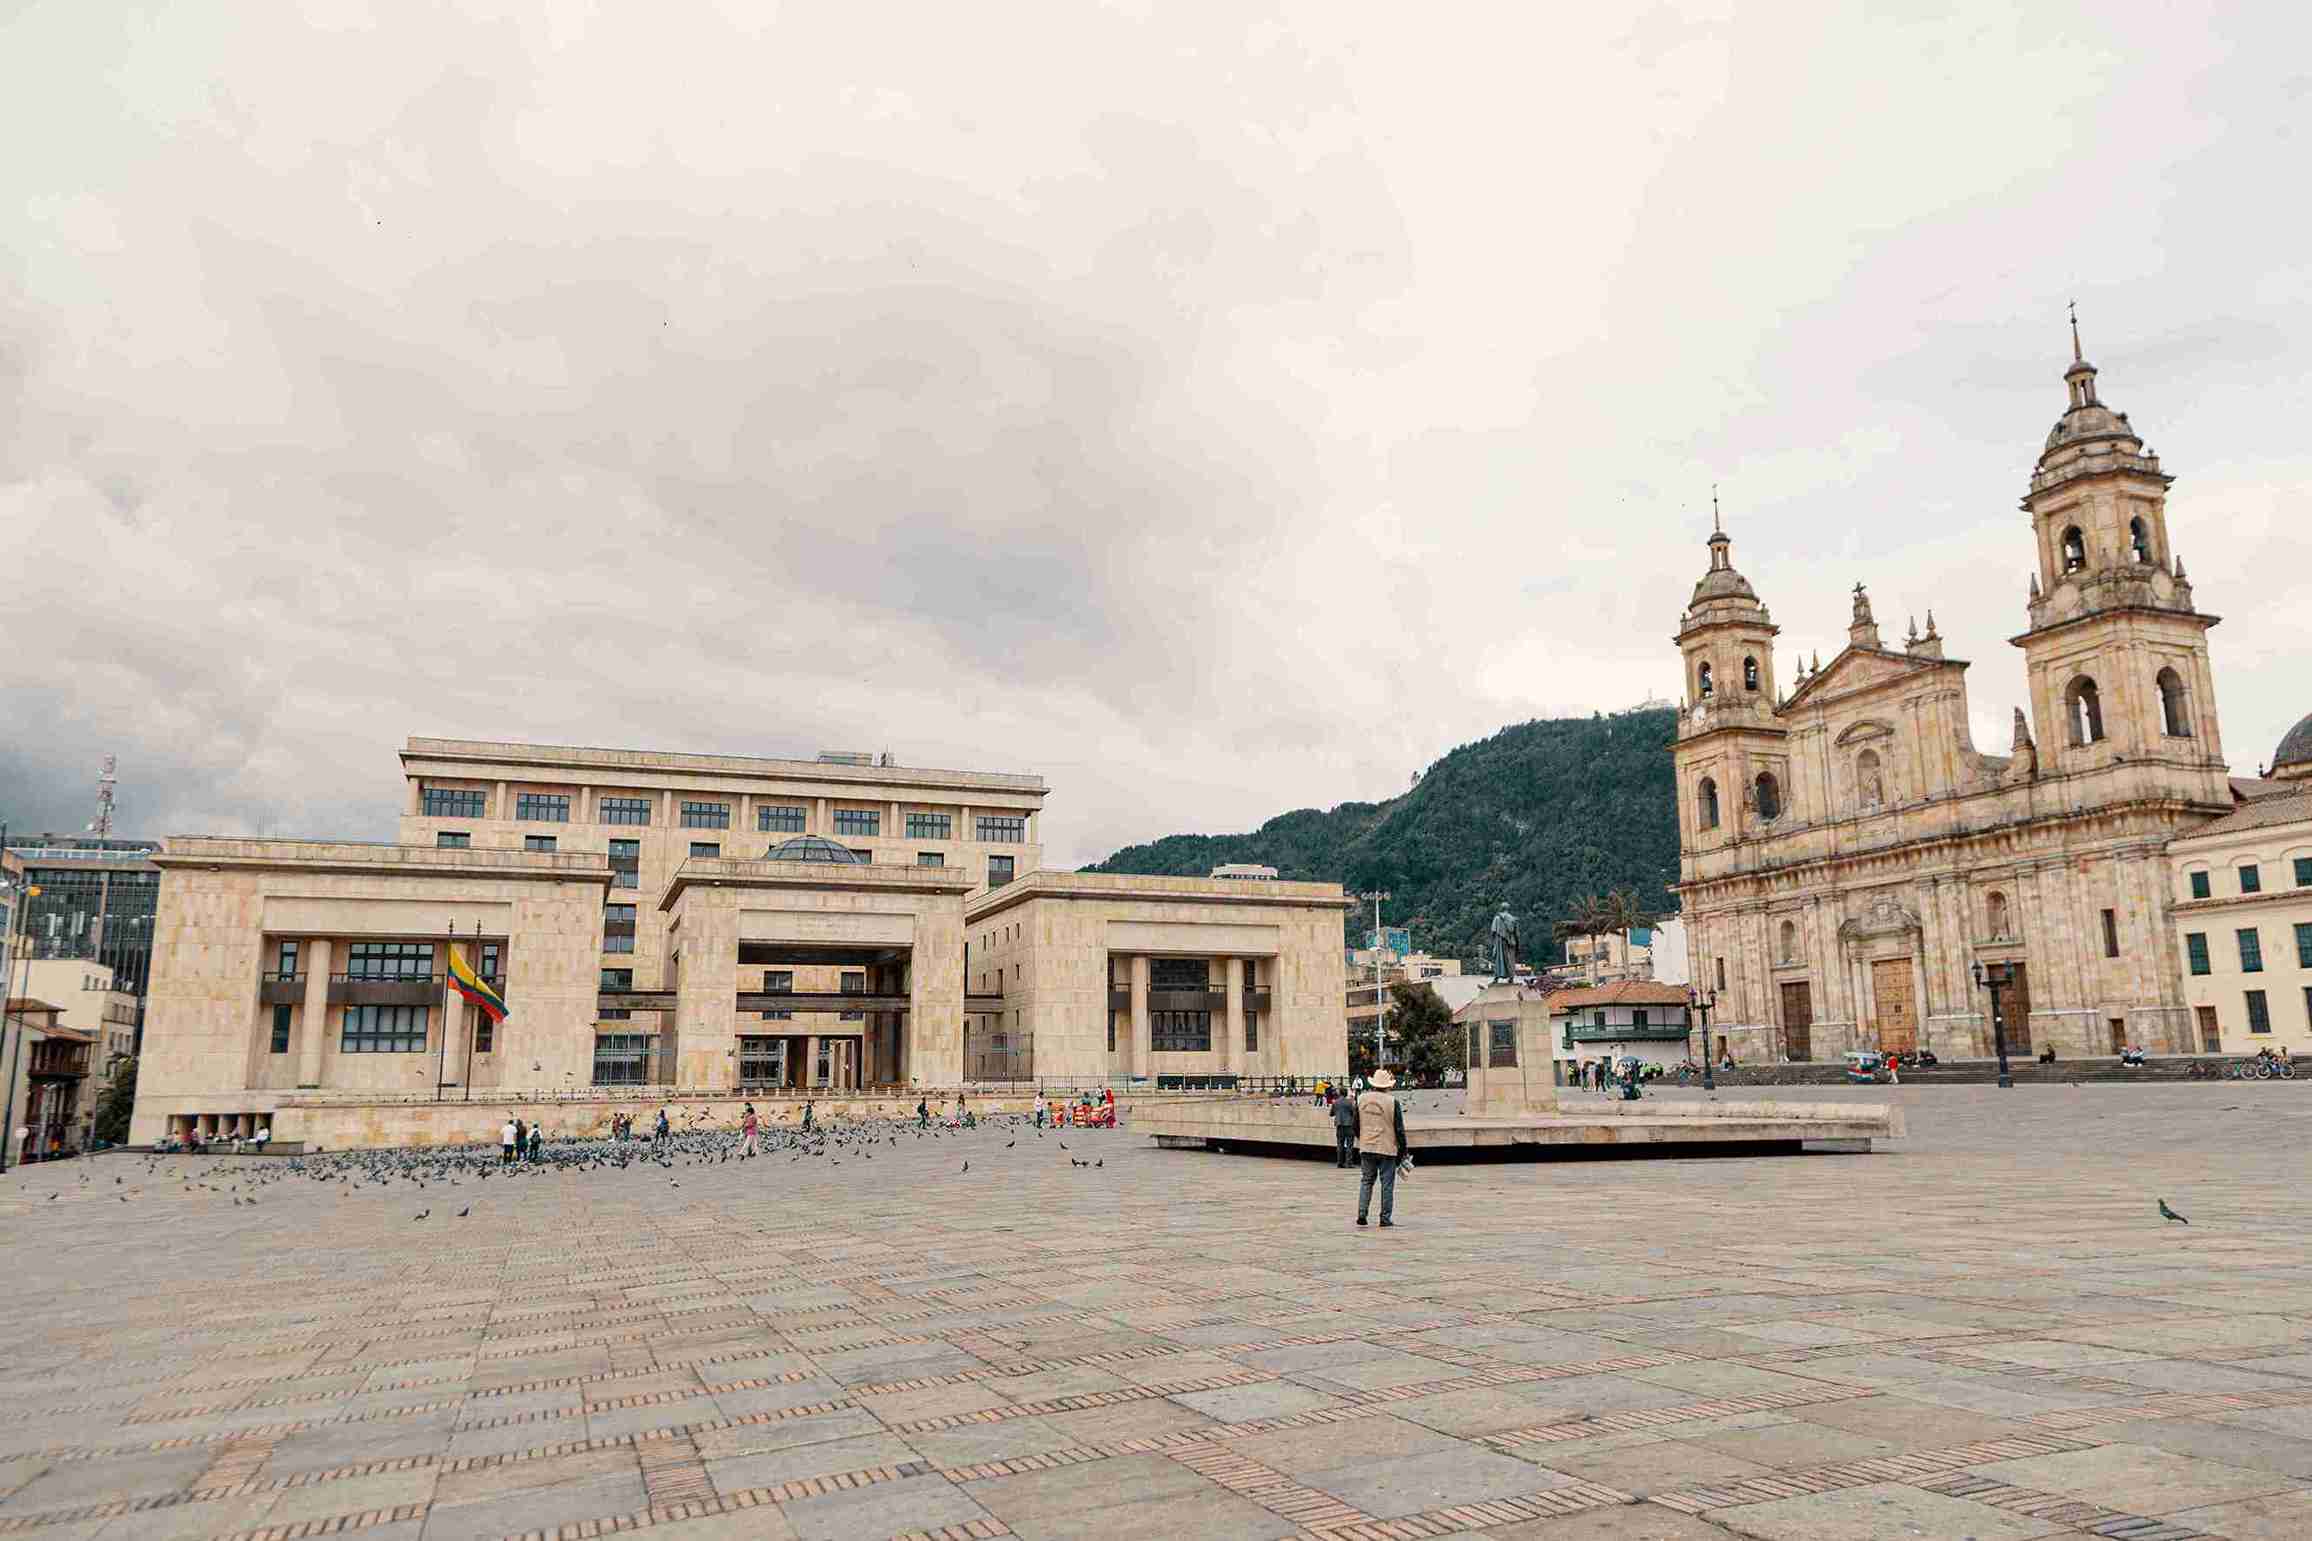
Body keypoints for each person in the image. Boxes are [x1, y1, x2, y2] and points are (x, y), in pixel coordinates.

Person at [1354, 1069, 1407, 1228]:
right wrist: (1403, 1150)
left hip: (1367, 1147)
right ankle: (1385, 1218)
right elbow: (1399, 1129)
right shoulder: (1392, 1102)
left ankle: (1362, 1214)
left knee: (1366, 1181)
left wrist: (1362, 1138)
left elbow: (1355, 1125)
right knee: (1387, 1184)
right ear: (1387, 1086)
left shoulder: (1361, 1099)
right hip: (1387, 1148)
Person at [1330, 1083, 1358, 1168]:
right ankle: (1349, 1163)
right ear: (1346, 1093)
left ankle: (1339, 1162)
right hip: (1349, 1125)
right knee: (1349, 1145)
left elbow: (1331, 1114)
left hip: (1339, 1125)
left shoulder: (1335, 1102)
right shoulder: (1349, 1102)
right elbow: (1354, 1113)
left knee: (1340, 1144)